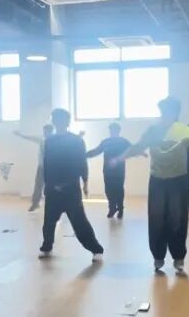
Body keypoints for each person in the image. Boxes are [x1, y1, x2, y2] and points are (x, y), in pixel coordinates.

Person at [110, 97, 189, 273]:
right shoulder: (153, 131)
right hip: (157, 181)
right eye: (162, 111)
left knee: (178, 219)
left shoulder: (183, 130)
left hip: (178, 181)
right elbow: (138, 147)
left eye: (168, 111)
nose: (164, 114)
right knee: (157, 219)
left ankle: (178, 257)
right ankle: (158, 256)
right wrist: (120, 158)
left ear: (175, 113)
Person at [39, 109, 104, 261]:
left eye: (61, 119)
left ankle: (96, 250)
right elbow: (46, 163)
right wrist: (47, 184)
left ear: (67, 122)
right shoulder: (49, 141)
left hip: (71, 189)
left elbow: (82, 162)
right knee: (49, 222)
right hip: (53, 188)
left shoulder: (76, 141)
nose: (58, 122)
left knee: (80, 222)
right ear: (53, 121)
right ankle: (47, 247)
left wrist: (85, 182)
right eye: (56, 119)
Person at [86, 122, 132, 219]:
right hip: (107, 171)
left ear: (118, 131)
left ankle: (120, 209)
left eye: (114, 130)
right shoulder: (106, 142)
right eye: (111, 130)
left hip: (119, 171)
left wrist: (140, 152)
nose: (112, 132)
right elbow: (96, 151)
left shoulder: (123, 141)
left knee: (119, 190)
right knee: (108, 190)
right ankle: (112, 208)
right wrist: (85, 155)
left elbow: (132, 150)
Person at [15, 125, 53, 212]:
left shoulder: (56, 141)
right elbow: (30, 138)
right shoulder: (42, 139)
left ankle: (54, 204)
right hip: (42, 167)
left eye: (46, 131)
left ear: (50, 131)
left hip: (52, 167)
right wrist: (20, 134)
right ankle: (35, 203)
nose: (44, 133)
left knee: (52, 186)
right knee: (38, 185)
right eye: (44, 131)